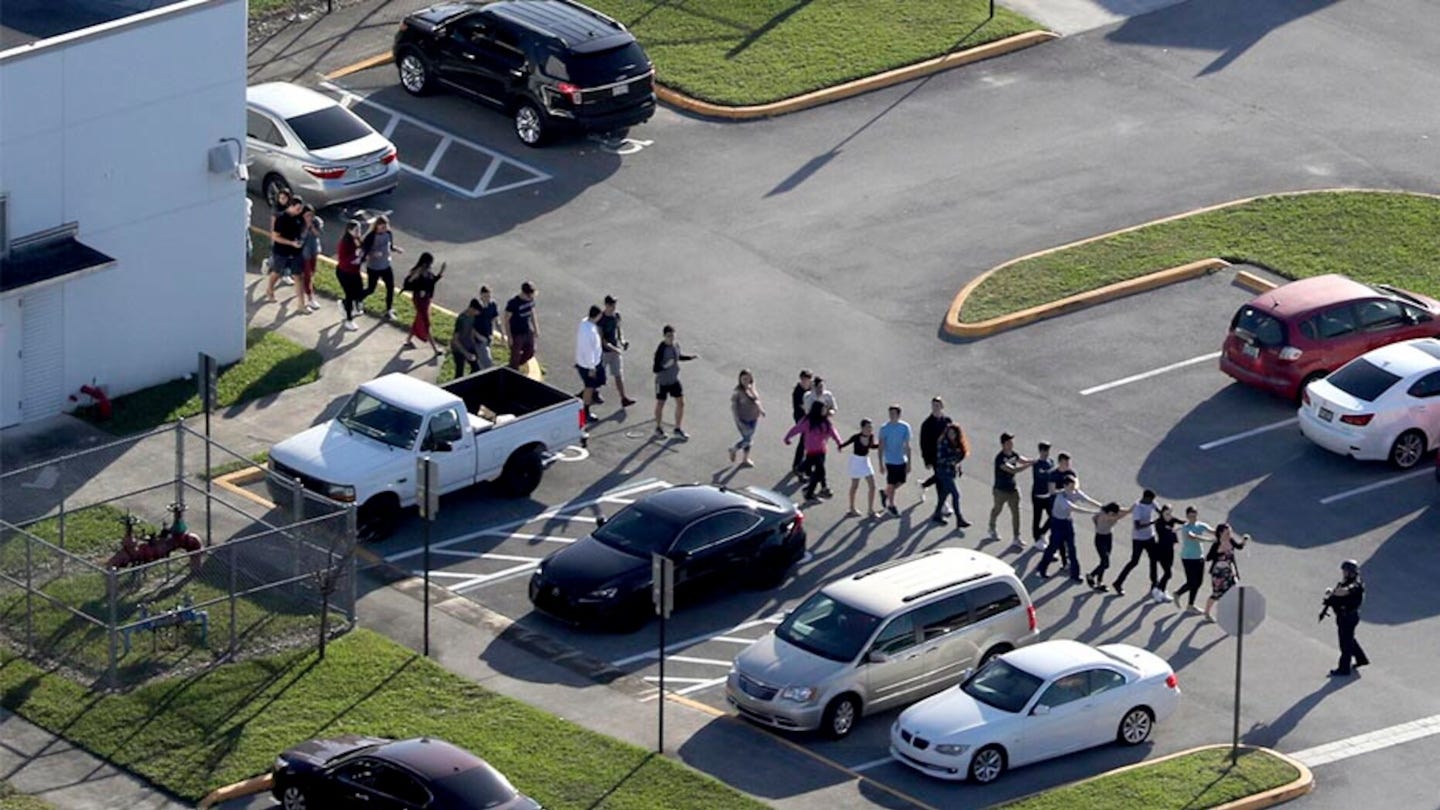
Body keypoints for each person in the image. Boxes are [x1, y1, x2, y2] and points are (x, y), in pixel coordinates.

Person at [1038, 473, 1102, 582]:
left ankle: (1075, 574)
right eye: (1071, 486)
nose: (1074, 489)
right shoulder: (1061, 498)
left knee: (1072, 549)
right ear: (1065, 486)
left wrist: (1102, 507)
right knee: (1053, 547)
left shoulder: (1075, 492)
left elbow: (1088, 500)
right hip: (1057, 523)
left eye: (1074, 486)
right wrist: (1094, 512)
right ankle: (1042, 569)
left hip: (1067, 522)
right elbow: (1075, 508)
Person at [784, 400, 841, 502]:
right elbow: (796, 429)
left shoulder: (826, 422)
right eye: (823, 409)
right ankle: (822, 487)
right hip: (812, 450)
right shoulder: (808, 421)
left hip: (822, 450)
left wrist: (839, 442)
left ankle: (809, 491)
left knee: (818, 473)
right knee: (820, 471)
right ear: (818, 410)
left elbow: (833, 432)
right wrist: (787, 437)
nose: (825, 411)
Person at [1322, 560, 1370, 676]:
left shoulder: (1356, 584)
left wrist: (1335, 592)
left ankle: (1344, 669)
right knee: (1349, 639)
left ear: (1351, 572)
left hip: (1348, 617)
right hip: (1344, 617)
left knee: (1345, 644)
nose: (1343, 573)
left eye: (1345, 571)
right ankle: (1361, 658)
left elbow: (1344, 592)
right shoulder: (1347, 581)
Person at [1111, 489, 1160, 598]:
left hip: (1150, 537)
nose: (1152, 502)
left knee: (1154, 559)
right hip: (1138, 539)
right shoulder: (1138, 508)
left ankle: (1154, 583)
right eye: (1150, 500)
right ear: (1145, 498)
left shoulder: (1151, 502)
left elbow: (1159, 511)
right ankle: (1118, 583)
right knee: (1134, 561)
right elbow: (1137, 526)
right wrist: (1152, 522)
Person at [652, 324, 696, 440]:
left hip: (673, 380)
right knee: (660, 403)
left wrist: (689, 358)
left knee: (680, 403)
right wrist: (665, 366)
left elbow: (678, 357)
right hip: (662, 381)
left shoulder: (676, 346)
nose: (671, 338)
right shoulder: (661, 349)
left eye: (672, 335)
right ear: (664, 336)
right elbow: (655, 368)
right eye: (668, 336)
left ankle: (677, 428)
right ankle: (658, 428)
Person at [988, 432, 1034, 543]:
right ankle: (992, 527)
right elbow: (1013, 470)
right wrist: (1029, 465)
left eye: (1011, 441)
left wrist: (1033, 461)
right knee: (997, 510)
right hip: (1000, 490)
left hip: (1013, 489)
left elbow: (1021, 459)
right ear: (1003, 444)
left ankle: (1016, 537)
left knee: (1016, 513)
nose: (1011, 444)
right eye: (1009, 442)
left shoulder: (1013, 454)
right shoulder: (1000, 459)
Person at [401, 253, 445, 355]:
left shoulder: (428, 272)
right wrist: (415, 277)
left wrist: (441, 272)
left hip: (426, 299)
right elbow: (408, 284)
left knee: (418, 319)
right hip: (419, 300)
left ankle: (408, 340)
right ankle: (435, 349)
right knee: (426, 322)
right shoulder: (417, 271)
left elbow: (432, 281)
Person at [360, 215, 403, 319]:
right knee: (371, 289)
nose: (384, 228)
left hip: (386, 266)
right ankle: (355, 299)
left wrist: (396, 249)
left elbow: (390, 246)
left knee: (390, 287)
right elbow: (363, 250)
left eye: (385, 226)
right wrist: (372, 254)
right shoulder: (371, 236)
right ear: (377, 226)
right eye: (382, 226)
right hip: (374, 267)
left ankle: (388, 310)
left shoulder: (388, 234)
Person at [1202, 524, 1247, 622]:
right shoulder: (1216, 544)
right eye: (1227, 533)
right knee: (1216, 594)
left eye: (1230, 532)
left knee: (1233, 591)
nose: (1229, 534)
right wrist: (1219, 551)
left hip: (1229, 571)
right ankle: (1206, 613)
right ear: (1220, 533)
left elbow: (1239, 547)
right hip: (1218, 573)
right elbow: (1208, 558)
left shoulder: (1230, 540)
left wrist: (1244, 541)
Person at [266, 195, 305, 304]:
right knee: (277, 272)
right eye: (298, 209)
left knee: (299, 276)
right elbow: (275, 237)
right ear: (291, 206)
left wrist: (299, 241)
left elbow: (300, 231)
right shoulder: (281, 218)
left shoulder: (298, 217)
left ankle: (301, 304)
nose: (300, 211)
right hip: (281, 251)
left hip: (296, 251)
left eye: (301, 209)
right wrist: (291, 243)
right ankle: (270, 289)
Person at [597, 295, 635, 407]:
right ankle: (592, 393)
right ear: (606, 305)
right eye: (611, 305)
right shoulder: (601, 320)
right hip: (604, 352)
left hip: (615, 351)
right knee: (599, 375)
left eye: (614, 305)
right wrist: (615, 349)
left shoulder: (616, 316)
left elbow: (619, 330)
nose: (614, 307)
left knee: (618, 375)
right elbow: (601, 340)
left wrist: (622, 342)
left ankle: (623, 398)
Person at [877, 405, 914, 518]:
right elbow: (881, 447)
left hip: (901, 459)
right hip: (890, 460)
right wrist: (881, 464)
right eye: (890, 413)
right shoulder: (884, 428)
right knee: (892, 483)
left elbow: (907, 446)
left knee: (901, 481)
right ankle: (891, 505)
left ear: (898, 414)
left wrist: (909, 463)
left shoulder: (905, 427)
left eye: (894, 413)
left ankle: (885, 493)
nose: (891, 415)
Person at [838, 418, 880, 518]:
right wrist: (840, 446)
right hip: (856, 461)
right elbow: (845, 443)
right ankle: (851, 508)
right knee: (855, 486)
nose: (870, 429)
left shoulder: (871, 437)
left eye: (871, 427)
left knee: (872, 486)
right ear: (862, 428)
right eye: (867, 427)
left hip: (865, 461)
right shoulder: (856, 437)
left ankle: (870, 510)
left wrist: (881, 444)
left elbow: (872, 446)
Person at [931, 423, 970, 527]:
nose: (951, 435)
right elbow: (941, 459)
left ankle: (937, 514)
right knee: (956, 494)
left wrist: (958, 467)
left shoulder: (957, 443)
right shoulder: (942, 443)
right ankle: (959, 518)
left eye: (954, 433)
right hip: (943, 472)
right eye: (950, 433)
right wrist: (952, 461)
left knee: (944, 494)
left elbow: (959, 457)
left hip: (951, 473)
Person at [1174, 507, 1212, 612]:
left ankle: (1190, 605)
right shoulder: (1186, 528)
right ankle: (1177, 594)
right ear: (1187, 516)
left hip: (1199, 557)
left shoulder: (1201, 525)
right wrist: (1211, 540)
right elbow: (1194, 537)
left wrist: (1222, 533)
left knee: (1198, 582)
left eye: (1194, 516)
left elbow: (1212, 531)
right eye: (1190, 516)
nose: (1193, 518)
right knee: (1191, 582)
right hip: (1188, 558)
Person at [1086, 502, 1130, 591]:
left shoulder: (1108, 513)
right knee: (1105, 563)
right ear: (1109, 511)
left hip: (1108, 537)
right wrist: (1129, 510)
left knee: (1103, 561)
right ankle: (1091, 575)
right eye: (1113, 513)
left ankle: (1099, 582)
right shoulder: (1104, 515)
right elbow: (1119, 516)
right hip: (1100, 539)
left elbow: (1094, 518)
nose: (1114, 514)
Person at [334, 219, 366, 331]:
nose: (358, 232)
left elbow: (363, 256)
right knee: (350, 295)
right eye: (356, 230)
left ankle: (344, 304)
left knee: (360, 292)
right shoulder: (344, 243)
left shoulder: (358, 241)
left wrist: (363, 256)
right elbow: (343, 261)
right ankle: (349, 320)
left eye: (360, 230)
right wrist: (354, 255)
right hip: (344, 272)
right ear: (349, 231)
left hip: (354, 272)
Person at [918, 397, 952, 502]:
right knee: (940, 479)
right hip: (934, 456)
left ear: (942, 407)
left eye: (937, 406)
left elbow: (953, 436)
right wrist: (926, 460)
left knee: (943, 476)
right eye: (933, 406)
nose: (935, 408)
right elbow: (923, 443)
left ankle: (924, 485)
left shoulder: (947, 421)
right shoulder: (927, 424)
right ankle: (942, 503)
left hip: (946, 455)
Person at [574, 305, 605, 421]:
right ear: (597, 316)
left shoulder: (584, 323)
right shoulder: (590, 331)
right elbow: (589, 351)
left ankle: (587, 400)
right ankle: (585, 412)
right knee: (589, 387)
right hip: (588, 365)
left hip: (587, 362)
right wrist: (592, 368)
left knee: (596, 383)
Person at [729, 369, 765, 467]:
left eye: (748, 379)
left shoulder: (751, 387)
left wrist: (761, 410)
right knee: (747, 440)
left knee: (748, 439)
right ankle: (734, 449)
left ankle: (745, 459)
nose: (746, 381)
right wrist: (739, 422)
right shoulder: (738, 392)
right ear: (740, 379)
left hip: (753, 418)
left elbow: (756, 400)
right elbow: (734, 408)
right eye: (743, 379)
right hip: (743, 420)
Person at [503, 282, 539, 370]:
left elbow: (532, 314)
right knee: (515, 356)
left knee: (531, 351)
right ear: (523, 293)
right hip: (516, 333)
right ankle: (513, 369)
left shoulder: (530, 300)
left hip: (527, 330)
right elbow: (506, 320)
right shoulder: (513, 303)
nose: (531, 298)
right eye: (529, 296)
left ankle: (513, 366)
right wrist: (509, 337)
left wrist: (536, 328)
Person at [1151, 505, 1183, 603]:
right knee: (1168, 573)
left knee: (1167, 572)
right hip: (1161, 550)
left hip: (1170, 550)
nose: (1169, 516)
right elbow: (1166, 531)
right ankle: (1157, 590)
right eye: (1167, 514)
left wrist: (1189, 522)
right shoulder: (1159, 523)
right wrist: (1176, 529)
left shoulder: (1172, 520)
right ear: (1162, 513)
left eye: (1170, 513)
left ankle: (1163, 591)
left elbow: (1182, 522)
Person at [1027, 441, 1054, 550]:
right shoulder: (1037, 464)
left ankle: (1042, 532)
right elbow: (1044, 476)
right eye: (1044, 450)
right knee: (1037, 518)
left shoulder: (1051, 462)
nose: (1046, 453)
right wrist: (1051, 473)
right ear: (1040, 451)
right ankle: (1037, 539)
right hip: (1038, 495)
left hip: (1048, 495)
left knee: (1053, 516)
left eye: (1047, 450)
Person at [297, 203, 323, 313]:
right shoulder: (299, 223)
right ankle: (310, 297)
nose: (309, 217)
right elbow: (300, 237)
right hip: (304, 252)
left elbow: (318, 234)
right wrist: (306, 227)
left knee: (312, 272)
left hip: (313, 250)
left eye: (310, 215)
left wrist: (311, 226)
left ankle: (302, 289)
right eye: (307, 215)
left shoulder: (316, 221)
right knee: (307, 274)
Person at [790, 370, 814, 478]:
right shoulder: (797, 392)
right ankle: (796, 465)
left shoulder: (812, 387)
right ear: (801, 379)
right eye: (804, 380)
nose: (806, 382)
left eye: (808, 380)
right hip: (801, 417)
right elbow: (803, 407)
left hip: (810, 417)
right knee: (804, 440)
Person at [451, 298, 483, 377]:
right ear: (471, 308)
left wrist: (475, 343)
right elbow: (455, 340)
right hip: (458, 349)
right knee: (459, 373)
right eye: (476, 311)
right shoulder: (461, 319)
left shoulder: (472, 316)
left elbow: (471, 329)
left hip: (468, 345)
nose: (477, 314)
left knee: (476, 368)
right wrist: (466, 353)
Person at [473, 285, 501, 369]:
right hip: (478, 339)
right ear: (480, 295)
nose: (487, 298)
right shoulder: (476, 307)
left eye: (489, 296)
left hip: (488, 336)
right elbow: (470, 326)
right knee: (487, 362)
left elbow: (496, 320)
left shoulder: (492, 305)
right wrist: (479, 336)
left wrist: (502, 334)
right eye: (485, 296)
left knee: (481, 362)